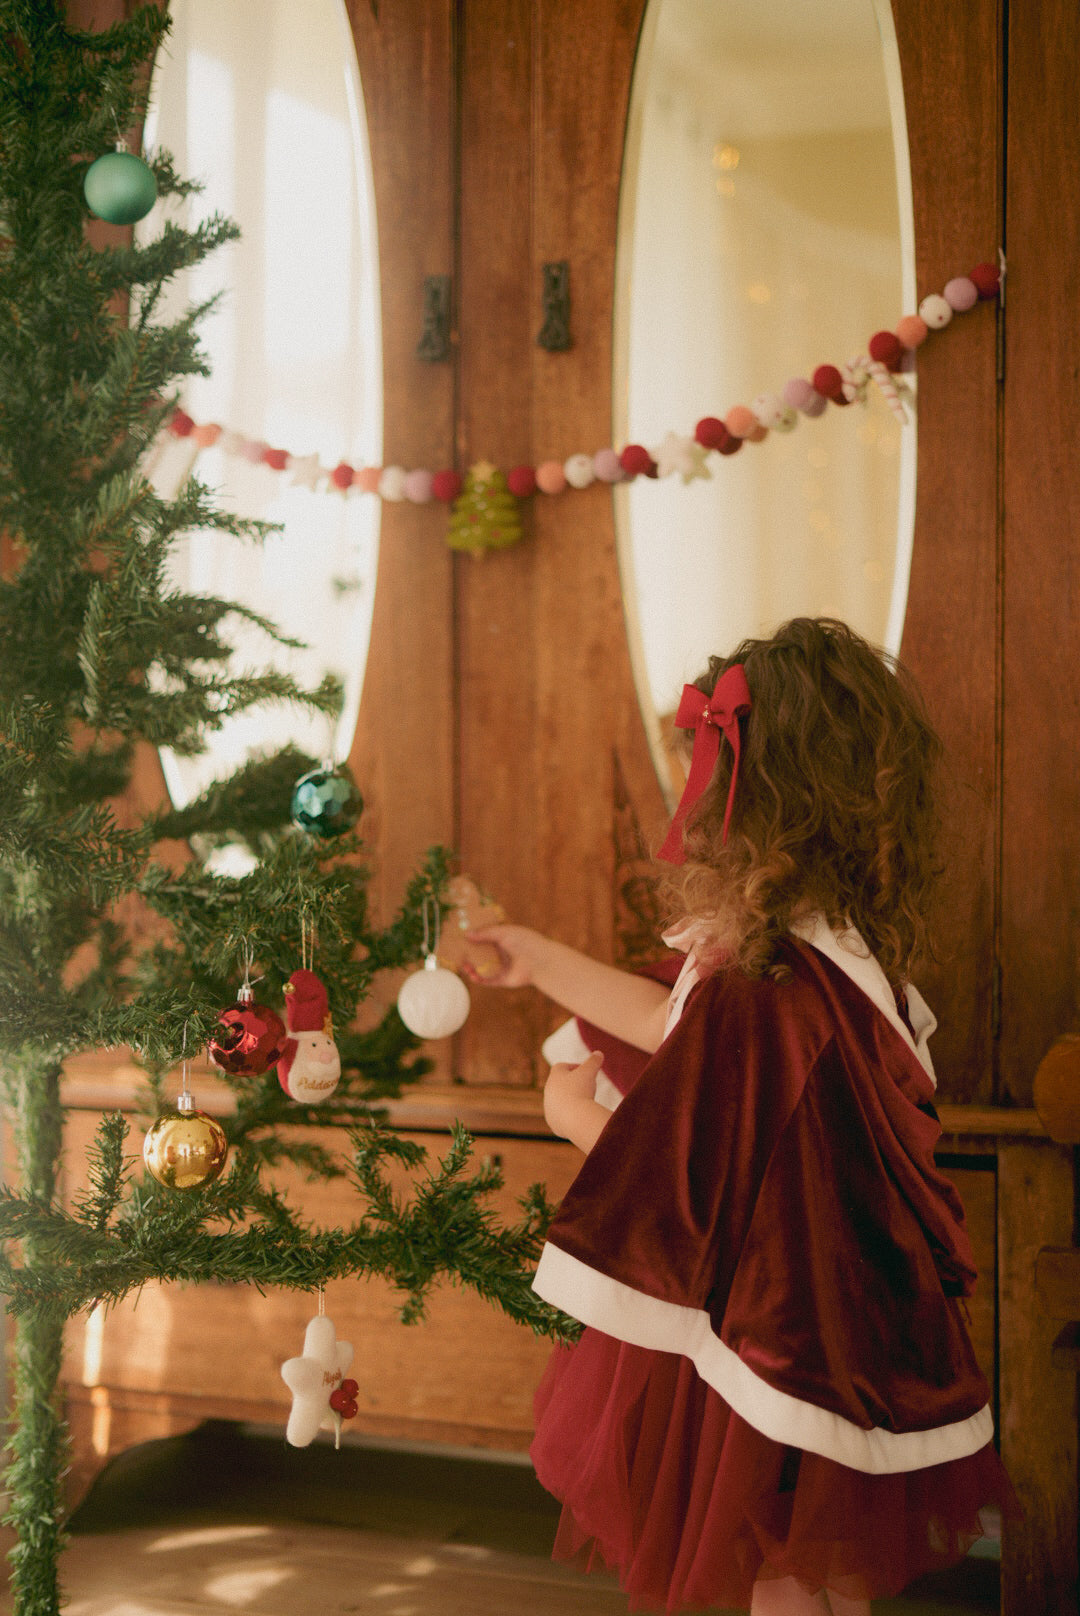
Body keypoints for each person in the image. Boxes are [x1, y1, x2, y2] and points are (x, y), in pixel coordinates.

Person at [468, 618, 1017, 1615]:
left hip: (781, 1313)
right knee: (794, 1544)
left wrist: (575, 1119)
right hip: (820, 1305)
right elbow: (663, 1016)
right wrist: (535, 956)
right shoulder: (805, 949)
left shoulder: (769, 987)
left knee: (776, 1548)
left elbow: (704, 1175)